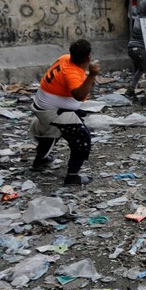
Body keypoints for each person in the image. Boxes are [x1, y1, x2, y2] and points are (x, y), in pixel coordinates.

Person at [30, 40, 99, 185]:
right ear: (89, 57)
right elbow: (79, 95)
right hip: (52, 112)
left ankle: (40, 160)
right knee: (81, 137)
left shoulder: (64, 58)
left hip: (42, 107)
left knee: (53, 130)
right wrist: (92, 75)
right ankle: (73, 176)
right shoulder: (71, 73)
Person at [127, 0, 146, 97]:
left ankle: (131, 89)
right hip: (140, 49)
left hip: (131, 48)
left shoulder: (138, 19)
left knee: (141, 69)